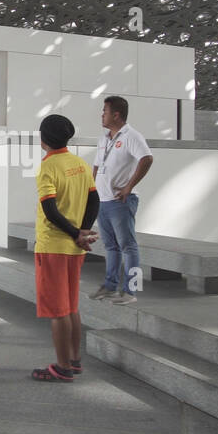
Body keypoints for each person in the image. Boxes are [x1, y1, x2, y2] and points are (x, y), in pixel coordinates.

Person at [31, 114, 99, 382]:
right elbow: (94, 201)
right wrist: (82, 232)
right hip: (74, 250)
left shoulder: (48, 167)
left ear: (43, 139)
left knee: (58, 311)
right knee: (71, 306)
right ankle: (74, 360)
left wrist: (74, 233)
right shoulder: (79, 163)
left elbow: (50, 210)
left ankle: (62, 367)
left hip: (53, 247)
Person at [89, 95, 153, 305]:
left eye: (105, 111)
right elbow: (97, 166)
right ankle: (110, 286)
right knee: (111, 246)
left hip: (120, 201)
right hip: (103, 200)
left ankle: (131, 291)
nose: (102, 115)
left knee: (129, 246)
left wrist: (129, 187)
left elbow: (146, 159)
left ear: (116, 115)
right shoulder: (104, 139)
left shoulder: (131, 136)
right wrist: (92, 190)